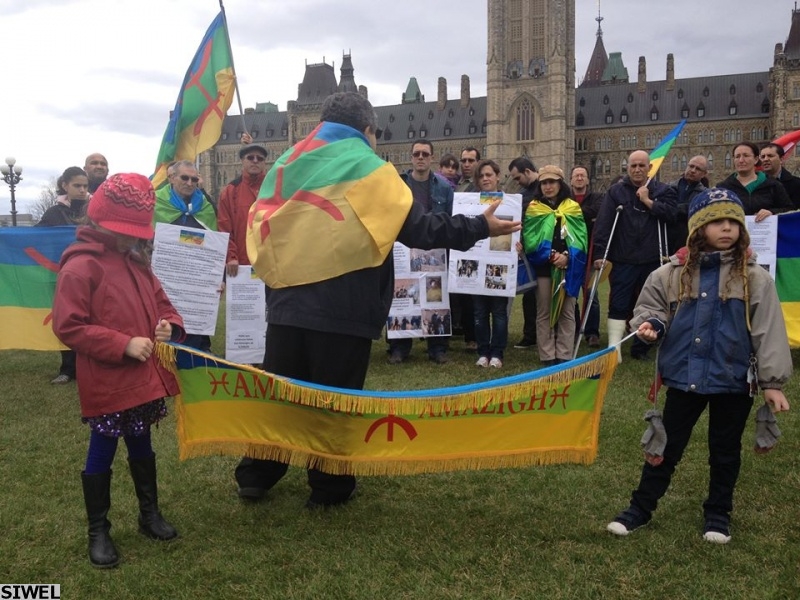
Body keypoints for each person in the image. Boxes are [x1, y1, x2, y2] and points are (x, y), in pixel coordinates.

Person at [237, 91, 520, 507]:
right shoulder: (368, 168)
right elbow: (421, 229)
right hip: (343, 305)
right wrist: (479, 226)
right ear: (367, 130)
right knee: (335, 402)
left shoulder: (288, 162)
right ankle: (329, 485)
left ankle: (256, 474)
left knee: (281, 398)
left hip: (286, 305)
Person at [606, 188, 791, 544]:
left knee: (725, 451)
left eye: (732, 222)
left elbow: (768, 331)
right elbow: (651, 307)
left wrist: (772, 383)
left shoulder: (755, 278)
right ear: (698, 228)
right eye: (717, 221)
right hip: (683, 378)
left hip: (733, 381)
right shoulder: (671, 274)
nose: (727, 228)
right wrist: (651, 324)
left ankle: (718, 513)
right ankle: (640, 508)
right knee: (665, 447)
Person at [52, 173, 186, 568]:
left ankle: (149, 514)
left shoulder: (137, 262)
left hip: (143, 379)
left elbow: (163, 303)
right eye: (125, 232)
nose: (131, 239)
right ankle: (98, 529)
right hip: (109, 382)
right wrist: (121, 343)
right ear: (100, 222)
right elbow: (68, 326)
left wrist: (168, 324)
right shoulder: (81, 266)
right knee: (103, 447)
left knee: (141, 441)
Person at [592, 150, 678, 362]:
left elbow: (671, 215)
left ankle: (641, 347)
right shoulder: (616, 192)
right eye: (633, 166)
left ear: (649, 168)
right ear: (627, 168)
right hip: (624, 258)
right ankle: (614, 348)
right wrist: (601, 254)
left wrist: (648, 201)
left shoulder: (663, 190)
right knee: (619, 303)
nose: (637, 169)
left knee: (651, 303)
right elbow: (604, 224)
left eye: (642, 165)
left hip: (652, 257)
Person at [388, 140, 454, 365]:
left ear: (432, 158)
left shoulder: (443, 188)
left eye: (425, 154)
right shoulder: (398, 184)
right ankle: (399, 347)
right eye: (416, 153)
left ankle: (437, 348)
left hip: (433, 249)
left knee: (435, 299)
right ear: (411, 157)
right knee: (402, 298)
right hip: (404, 248)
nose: (420, 157)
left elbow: (450, 218)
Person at [521, 165, 587, 366]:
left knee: (567, 311)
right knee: (544, 311)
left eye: (552, 182)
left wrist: (567, 256)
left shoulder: (572, 208)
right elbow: (530, 239)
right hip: (544, 268)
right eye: (544, 183)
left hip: (568, 267)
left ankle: (565, 354)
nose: (548, 187)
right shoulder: (534, 208)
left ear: (560, 184)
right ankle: (547, 355)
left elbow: (580, 239)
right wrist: (550, 255)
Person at [154, 159, 219, 352]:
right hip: (163, 280)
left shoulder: (206, 207)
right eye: (184, 178)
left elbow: (215, 246)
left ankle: (195, 356)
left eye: (194, 179)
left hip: (196, 284)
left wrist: (219, 278)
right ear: (171, 177)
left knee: (195, 333)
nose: (190, 183)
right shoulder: (156, 203)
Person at [37, 166, 90, 384]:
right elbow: (36, 238)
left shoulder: (94, 209)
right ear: (64, 185)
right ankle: (68, 369)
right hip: (62, 275)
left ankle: (89, 365)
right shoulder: (53, 213)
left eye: (85, 186)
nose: (82, 190)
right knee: (67, 320)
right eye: (77, 185)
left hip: (90, 275)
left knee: (90, 319)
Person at [472, 159, 512, 369]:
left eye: (489, 175)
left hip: (499, 264)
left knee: (498, 311)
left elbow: (516, 228)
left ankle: (497, 352)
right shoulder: (470, 203)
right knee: (479, 312)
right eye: (481, 176)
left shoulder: (511, 203)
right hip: (477, 264)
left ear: (497, 176)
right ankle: (482, 352)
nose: (485, 179)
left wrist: (518, 244)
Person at [218, 144, 269, 277]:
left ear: (264, 163)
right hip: (242, 262)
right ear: (242, 160)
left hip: (270, 262)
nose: (255, 161)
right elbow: (225, 227)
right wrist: (231, 256)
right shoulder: (230, 191)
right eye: (250, 157)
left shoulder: (274, 188)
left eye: (260, 158)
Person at [570, 165, 605, 348]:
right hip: (571, 255)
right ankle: (575, 329)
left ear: (587, 180)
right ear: (571, 180)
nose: (579, 178)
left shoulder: (597, 198)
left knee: (591, 295)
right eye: (576, 175)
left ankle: (592, 333)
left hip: (590, 254)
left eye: (582, 175)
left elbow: (596, 213)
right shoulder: (566, 199)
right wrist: (585, 215)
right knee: (570, 295)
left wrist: (572, 214)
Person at [716, 142, 793, 221]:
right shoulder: (723, 188)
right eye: (737, 156)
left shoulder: (773, 185)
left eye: (746, 156)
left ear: (756, 159)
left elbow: (789, 210)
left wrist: (772, 212)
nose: (741, 160)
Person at [507, 157, 539, 349]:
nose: (517, 182)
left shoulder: (546, 187)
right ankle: (531, 335)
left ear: (527, 171)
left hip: (545, 250)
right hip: (528, 250)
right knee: (530, 295)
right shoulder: (522, 194)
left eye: (518, 177)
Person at [668, 156, 708, 253]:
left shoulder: (705, 194)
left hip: (689, 242)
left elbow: (693, 210)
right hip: (668, 238)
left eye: (698, 169)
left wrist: (673, 208)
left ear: (704, 174)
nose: (693, 170)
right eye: (691, 166)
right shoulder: (669, 187)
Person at [758, 142, 800, 209]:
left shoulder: (797, 184)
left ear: (781, 159)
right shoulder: (755, 183)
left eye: (770, 156)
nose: (765, 159)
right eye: (763, 157)